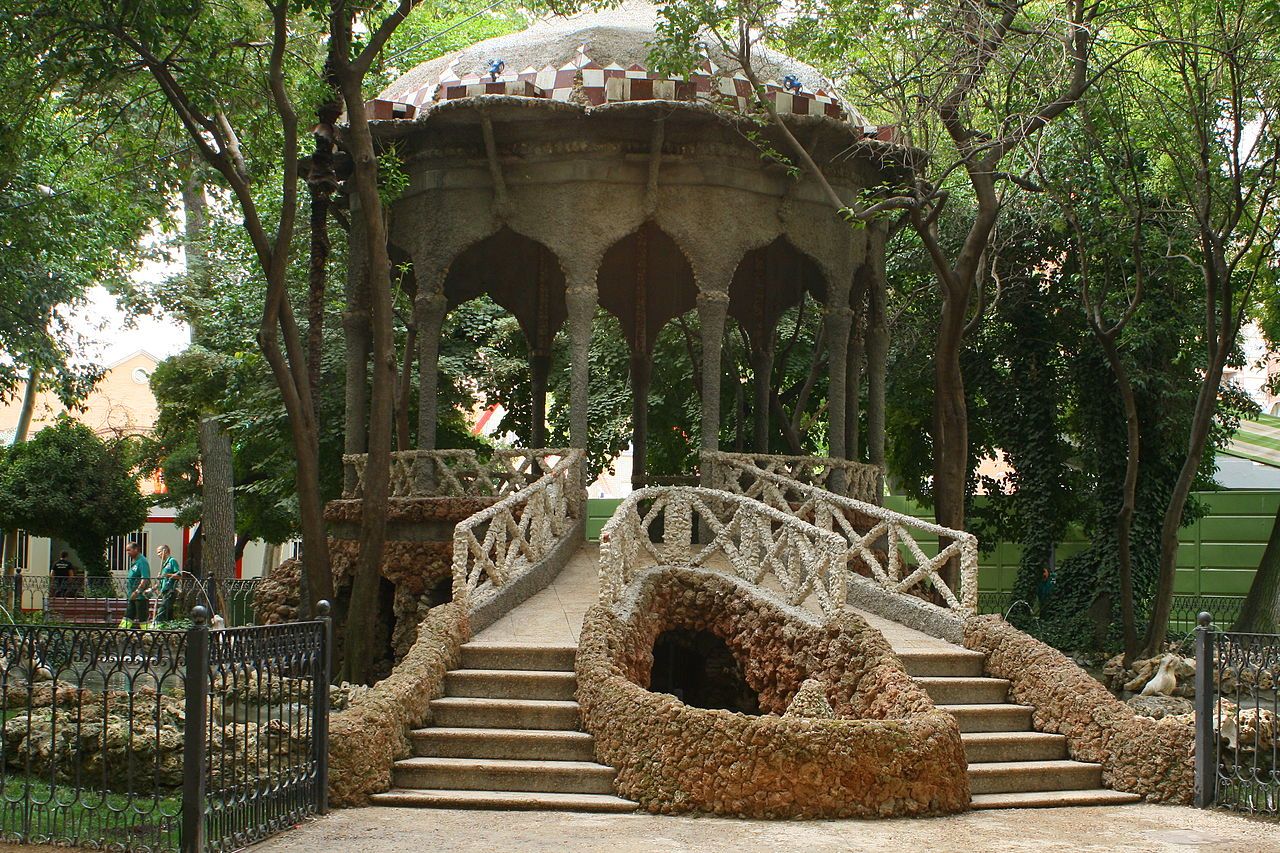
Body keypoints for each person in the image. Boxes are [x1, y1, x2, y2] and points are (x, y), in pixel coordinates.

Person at [122, 542, 151, 629]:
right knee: (129, 614)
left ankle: (148, 635)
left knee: (142, 617)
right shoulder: (135, 561)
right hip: (132, 594)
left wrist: (137, 591)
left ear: (136, 549)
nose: (127, 552)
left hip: (140, 596)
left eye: (129, 550)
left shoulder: (142, 561)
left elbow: (145, 578)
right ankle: (122, 631)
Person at [155, 545, 181, 622]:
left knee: (162, 610)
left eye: (159, 552)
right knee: (168, 612)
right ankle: (170, 627)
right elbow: (164, 578)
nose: (158, 554)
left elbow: (179, 575)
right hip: (164, 590)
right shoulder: (164, 564)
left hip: (170, 590)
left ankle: (157, 625)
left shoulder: (172, 561)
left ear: (165, 551)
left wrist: (166, 575)